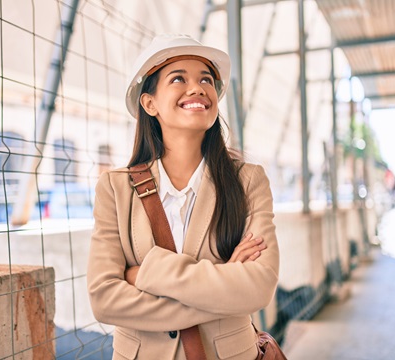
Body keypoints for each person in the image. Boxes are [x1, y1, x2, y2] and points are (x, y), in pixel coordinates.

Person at [87, 34, 279, 360]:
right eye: (179, 78)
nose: (197, 88)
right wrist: (224, 286)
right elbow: (104, 299)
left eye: (206, 79)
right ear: (149, 104)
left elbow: (259, 285)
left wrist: (146, 273)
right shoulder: (114, 188)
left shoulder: (248, 180)